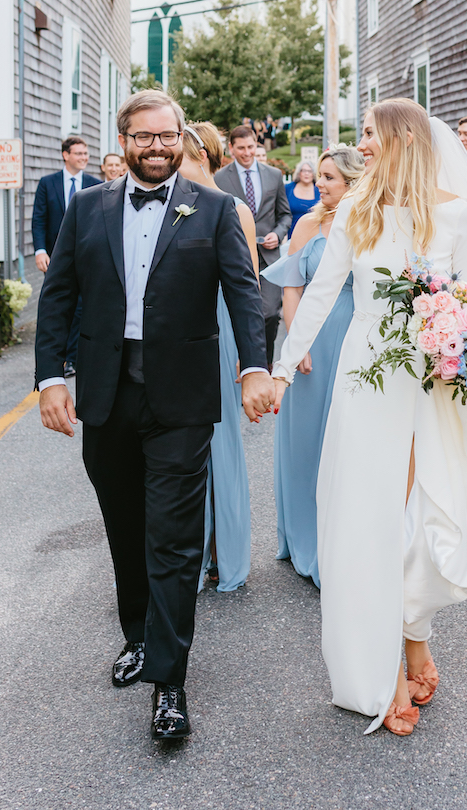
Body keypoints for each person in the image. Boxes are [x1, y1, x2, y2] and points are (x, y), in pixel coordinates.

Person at [270, 99, 467, 736]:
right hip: (368, 372)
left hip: (432, 379)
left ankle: (415, 637)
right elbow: (323, 292)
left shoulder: (461, 210)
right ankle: (379, 678)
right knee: (365, 515)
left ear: (403, 139)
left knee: (425, 511)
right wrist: (281, 366)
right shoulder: (357, 208)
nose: (365, 146)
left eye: (372, 135)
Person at [35, 91, 275, 740]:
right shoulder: (87, 209)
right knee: (126, 530)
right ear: (124, 142)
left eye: (167, 136)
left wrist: (255, 365)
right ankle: (138, 637)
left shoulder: (216, 210)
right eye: (143, 138)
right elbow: (59, 296)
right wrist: (50, 377)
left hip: (182, 401)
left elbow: (242, 293)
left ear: (181, 139)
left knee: (171, 538)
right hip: (108, 399)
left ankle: (169, 682)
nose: (157, 147)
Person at [264, 144, 365, 586]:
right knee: (306, 438)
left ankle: (343, 540)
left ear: (351, 182)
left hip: (355, 335)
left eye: (329, 178)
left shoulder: (367, 223)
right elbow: (292, 290)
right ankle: (303, 536)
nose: (319, 184)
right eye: (319, 176)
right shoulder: (307, 224)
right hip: (311, 337)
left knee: (343, 439)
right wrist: (295, 342)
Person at [180, 121, 256, 593]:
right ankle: (183, 547)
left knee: (221, 444)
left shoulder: (235, 208)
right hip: (182, 330)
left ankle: (221, 550)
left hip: (222, 329)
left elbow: (244, 286)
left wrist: (248, 357)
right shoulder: (174, 204)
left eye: (180, 161)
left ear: (202, 157)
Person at [215, 126, 291, 368]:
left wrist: (277, 235)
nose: (247, 153)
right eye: (241, 148)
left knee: (268, 313)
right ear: (231, 149)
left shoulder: (274, 175)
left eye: (250, 147)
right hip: (236, 255)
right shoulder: (219, 178)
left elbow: (285, 215)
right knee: (237, 312)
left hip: (268, 257)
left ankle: (263, 363)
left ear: (256, 144)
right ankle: (240, 363)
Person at [32, 136, 101, 376]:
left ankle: (72, 359)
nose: (84, 158)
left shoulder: (95, 183)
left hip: (86, 256)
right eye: (79, 153)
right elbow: (39, 219)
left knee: (82, 308)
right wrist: (40, 250)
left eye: (86, 154)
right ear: (66, 155)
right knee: (56, 306)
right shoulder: (47, 183)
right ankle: (51, 359)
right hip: (55, 258)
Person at [285, 160, 320, 235]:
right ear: (299, 172)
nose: (306, 173)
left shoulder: (319, 190)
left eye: (309, 171)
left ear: (313, 174)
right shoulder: (288, 188)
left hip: (313, 233)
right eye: (304, 170)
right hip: (291, 232)